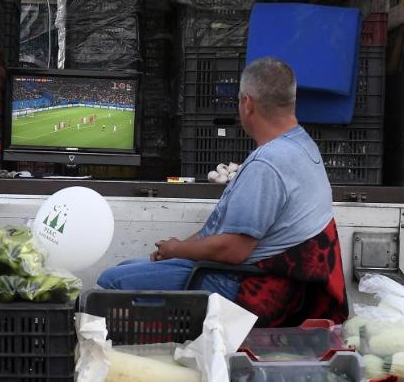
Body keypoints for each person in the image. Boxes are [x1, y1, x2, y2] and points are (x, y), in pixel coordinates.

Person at [98, 58, 347, 325]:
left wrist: (178, 250)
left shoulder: (268, 164)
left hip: (244, 284)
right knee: (126, 270)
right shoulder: (303, 145)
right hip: (270, 281)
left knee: (112, 283)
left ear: (247, 104)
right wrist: (180, 247)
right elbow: (226, 234)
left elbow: (233, 250)